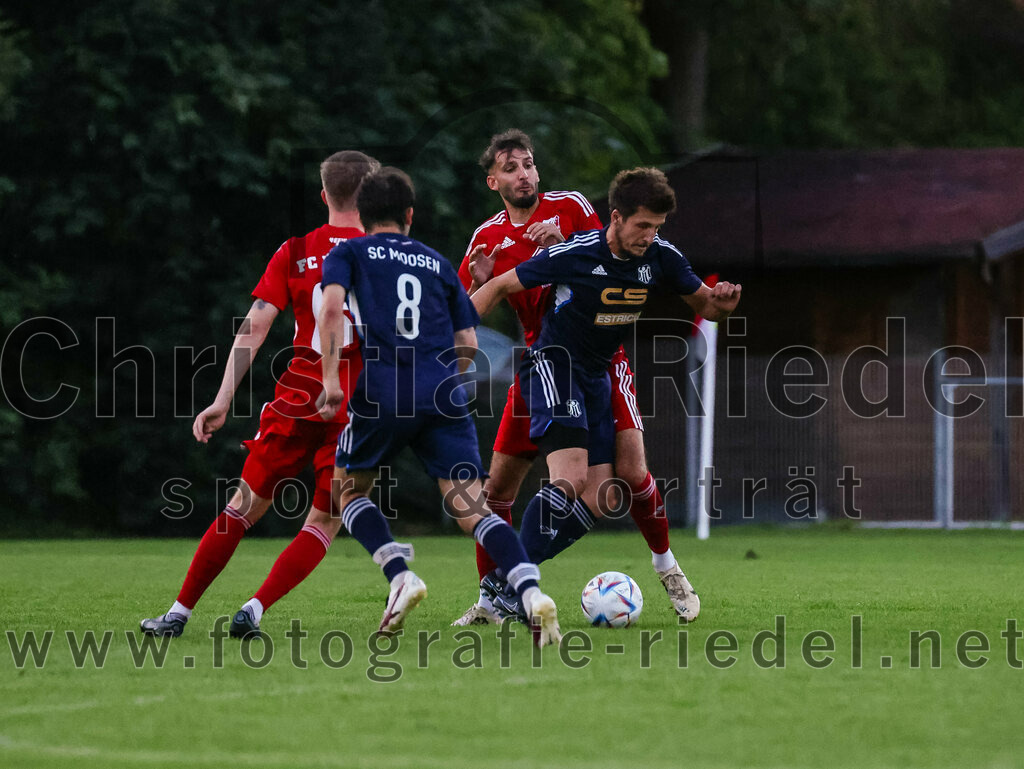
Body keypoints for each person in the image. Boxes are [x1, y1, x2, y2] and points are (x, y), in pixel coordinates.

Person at [470, 167, 741, 621]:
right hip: (555, 364)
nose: (649, 236)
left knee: (601, 497)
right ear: (615, 218)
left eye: (656, 227)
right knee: (569, 479)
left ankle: (505, 584)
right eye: (642, 226)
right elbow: (499, 285)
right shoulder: (577, 253)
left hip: (598, 374)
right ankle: (512, 582)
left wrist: (724, 303)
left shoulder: (662, 257)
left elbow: (706, 304)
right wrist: (453, 331)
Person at [316, 166, 561, 647]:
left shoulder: (348, 251)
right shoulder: (436, 262)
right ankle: (529, 591)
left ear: (362, 216)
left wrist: (329, 380)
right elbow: (467, 341)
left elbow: (329, 309)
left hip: (384, 387)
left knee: (347, 492)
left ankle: (400, 575)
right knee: (472, 508)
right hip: (443, 390)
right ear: (410, 214)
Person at [140, 151, 378, 638]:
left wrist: (222, 397)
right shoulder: (385, 254)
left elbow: (254, 327)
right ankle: (256, 606)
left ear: (323, 195)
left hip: (298, 394)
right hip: (359, 402)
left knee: (241, 507)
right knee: (325, 520)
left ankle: (178, 614)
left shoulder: (294, 251)